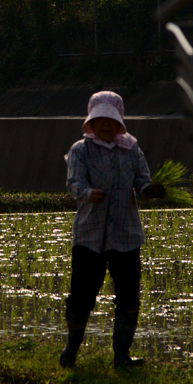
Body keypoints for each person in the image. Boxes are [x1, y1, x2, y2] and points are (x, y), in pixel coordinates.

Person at [59, 90, 164, 368]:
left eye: (111, 120)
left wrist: (149, 190)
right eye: (100, 120)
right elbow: (74, 183)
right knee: (82, 294)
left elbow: (142, 181)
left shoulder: (132, 150)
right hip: (89, 236)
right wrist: (87, 193)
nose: (105, 125)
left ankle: (122, 354)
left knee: (129, 297)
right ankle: (72, 347)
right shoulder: (81, 150)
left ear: (120, 123)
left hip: (126, 235)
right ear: (90, 123)